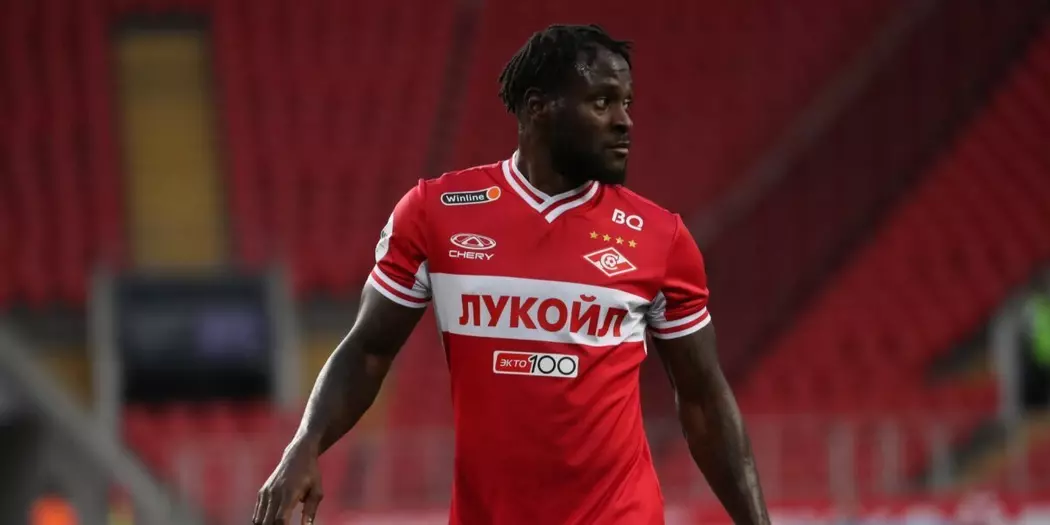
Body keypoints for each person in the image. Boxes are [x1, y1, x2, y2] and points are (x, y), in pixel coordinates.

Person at [253, 24, 769, 525]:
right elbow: (368, 351)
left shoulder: (661, 238)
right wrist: (306, 445)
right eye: (602, 102)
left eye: (627, 103)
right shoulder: (435, 214)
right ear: (537, 108)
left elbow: (704, 401)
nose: (624, 121)